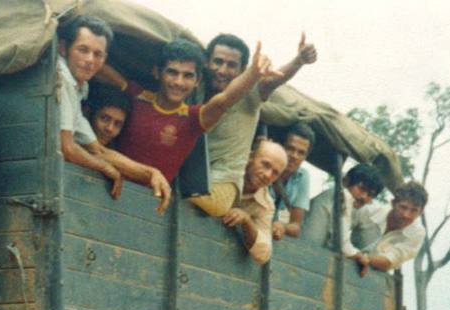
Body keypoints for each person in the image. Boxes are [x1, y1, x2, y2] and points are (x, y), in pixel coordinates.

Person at [94, 38, 273, 188]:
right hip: (104, 184)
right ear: (157, 72)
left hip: (149, 207)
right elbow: (98, 67)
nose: (179, 82)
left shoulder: (194, 119)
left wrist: (252, 75)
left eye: (188, 76)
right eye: (172, 72)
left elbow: (225, 99)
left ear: (197, 81)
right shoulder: (138, 96)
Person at [191, 33, 317, 217]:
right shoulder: (194, 88)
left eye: (231, 65)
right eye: (217, 62)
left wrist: (299, 60)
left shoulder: (249, 92)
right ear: (207, 63)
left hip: (223, 183)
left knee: (181, 196)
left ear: (243, 70)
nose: (222, 70)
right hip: (192, 177)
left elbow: (273, 80)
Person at [55, 16, 123, 198]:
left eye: (97, 54)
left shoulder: (80, 86)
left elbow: (96, 149)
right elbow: (67, 148)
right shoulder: (61, 78)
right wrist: (106, 168)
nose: (90, 60)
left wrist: (151, 173)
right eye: (83, 50)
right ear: (63, 48)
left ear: (104, 59)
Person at [84, 84, 171, 213]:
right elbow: (99, 152)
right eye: (105, 118)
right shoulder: (78, 134)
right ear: (89, 113)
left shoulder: (115, 149)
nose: (110, 128)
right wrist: (152, 173)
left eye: (117, 124)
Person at [220, 140, 288, 264]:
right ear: (250, 157)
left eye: (275, 173)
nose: (268, 175)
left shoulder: (266, 204)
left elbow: (263, 254)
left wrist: (247, 221)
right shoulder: (227, 168)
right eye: (266, 165)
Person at [348, 181, 428, 275]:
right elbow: (339, 230)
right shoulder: (369, 211)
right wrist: (353, 254)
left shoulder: (417, 233)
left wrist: (365, 259)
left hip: (373, 278)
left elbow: (391, 260)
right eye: (403, 207)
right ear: (393, 203)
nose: (406, 215)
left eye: (414, 210)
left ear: (421, 211)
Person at [300, 162, 385, 249]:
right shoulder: (327, 200)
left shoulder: (361, 209)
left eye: (370, 194)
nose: (364, 197)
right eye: (362, 188)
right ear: (346, 181)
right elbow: (310, 244)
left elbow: (367, 248)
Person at [271, 123, 314, 240]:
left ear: (306, 156)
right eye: (290, 149)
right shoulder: (266, 165)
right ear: (281, 146)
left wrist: (282, 227)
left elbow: (296, 226)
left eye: (301, 153)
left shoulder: (302, 176)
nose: (295, 156)